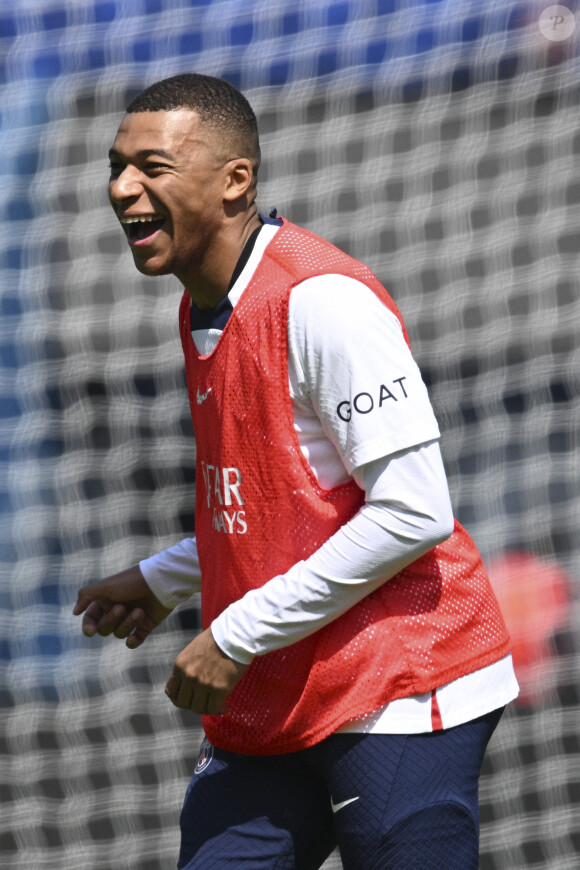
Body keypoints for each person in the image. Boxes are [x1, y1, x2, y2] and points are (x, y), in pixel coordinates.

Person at [74, 73, 518, 870]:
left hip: (401, 685)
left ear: (236, 179)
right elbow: (285, 504)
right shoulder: (201, 303)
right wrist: (168, 575)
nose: (122, 188)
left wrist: (235, 633)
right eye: (116, 166)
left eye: (152, 167)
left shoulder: (320, 302)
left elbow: (413, 513)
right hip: (282, 686)